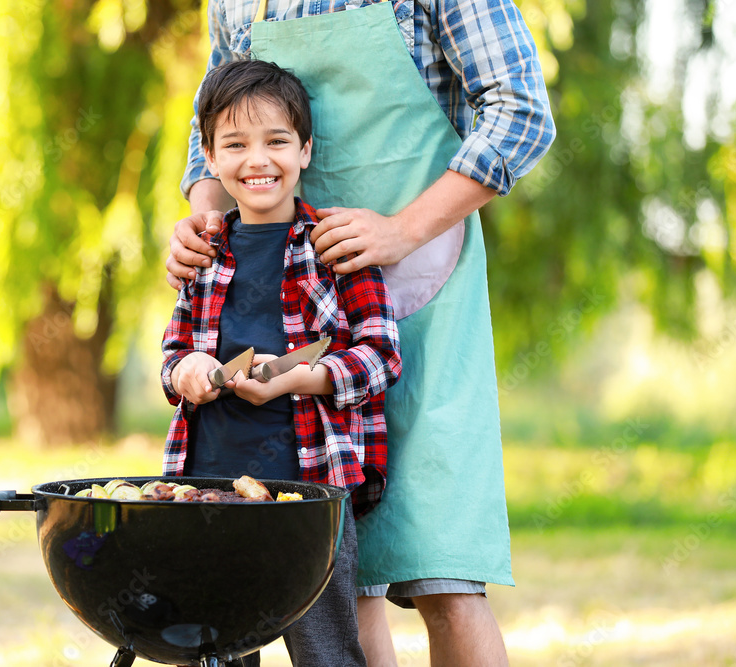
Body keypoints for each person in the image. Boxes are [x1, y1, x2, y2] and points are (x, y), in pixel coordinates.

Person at [167, 2, 556, 665]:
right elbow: (219, 114)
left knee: (446, 572)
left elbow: (521, 113)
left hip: (423, 292)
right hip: (291, 299)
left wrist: (401, 230)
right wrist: (205, 223)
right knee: (342, 581)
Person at [161, 58, 403, 667]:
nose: (257, 160)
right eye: (235, 145)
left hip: (310, 492)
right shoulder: (204, 252)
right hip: (208, 485)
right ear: (210, 159)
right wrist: (186, 369)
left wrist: (300, 378)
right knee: (213, 646)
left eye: (276, 142)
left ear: (306, 150)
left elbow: (379, 357)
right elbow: (172, 354)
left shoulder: (335, 246)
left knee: (324, 652)